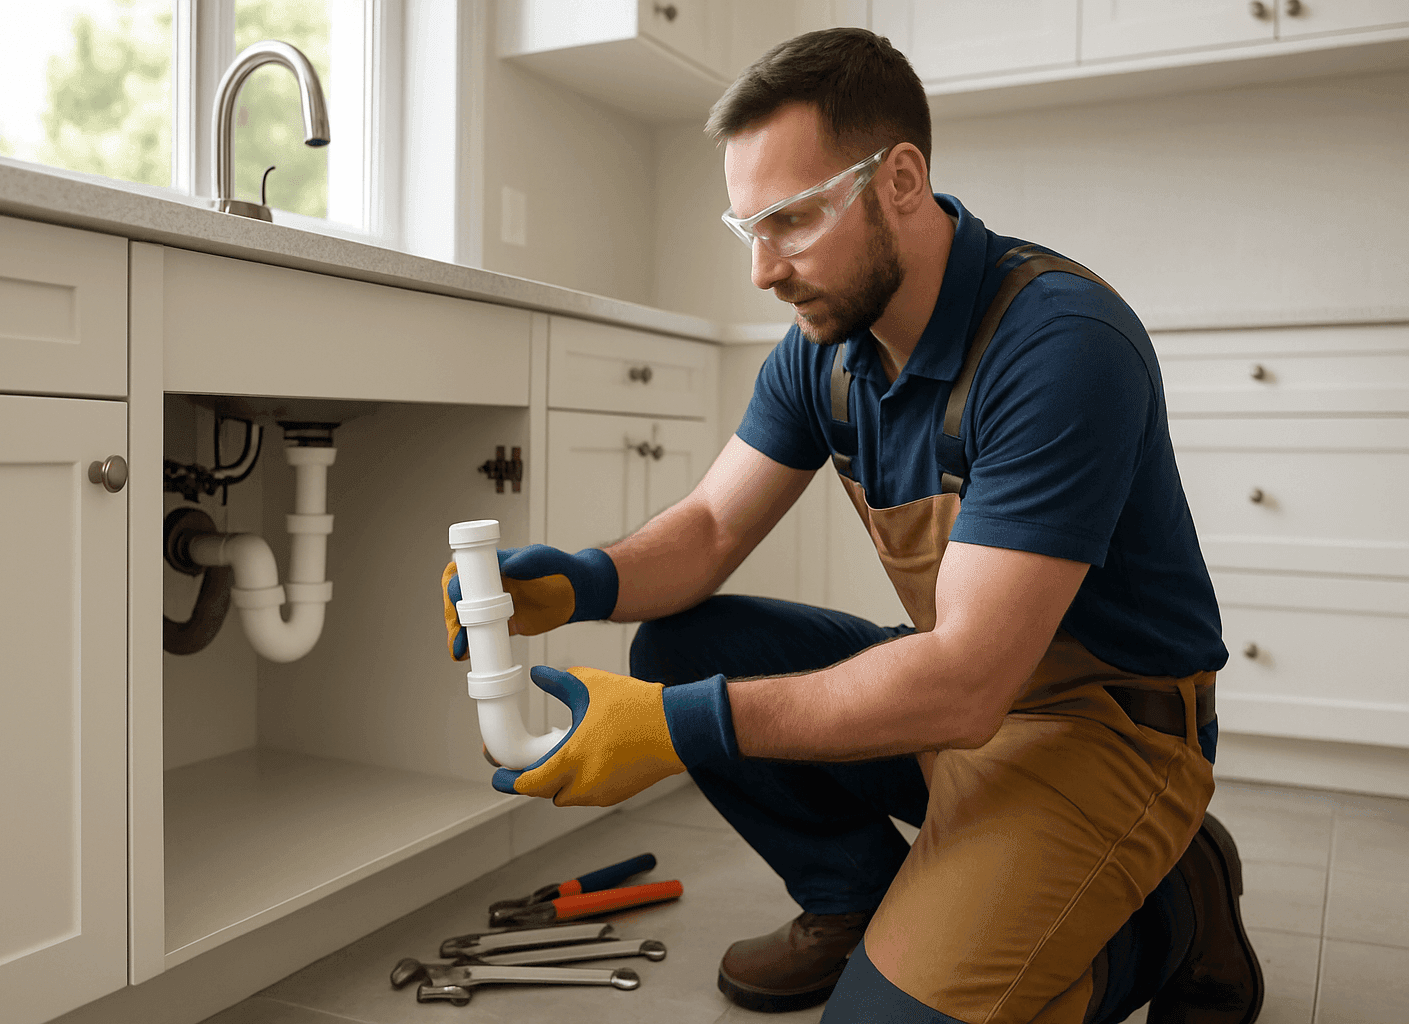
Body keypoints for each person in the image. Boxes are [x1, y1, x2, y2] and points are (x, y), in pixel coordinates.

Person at [442, 27, 1263, 1024]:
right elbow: (706, 528)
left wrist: (679, 730)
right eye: (745, 226)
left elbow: (964, 681)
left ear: (903, 181)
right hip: (966, 695)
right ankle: (856, 905)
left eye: (789, 219)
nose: (762, 269)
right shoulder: (824, 348)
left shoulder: (1060, 347)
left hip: (1106, 730)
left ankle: (1167, 912)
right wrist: (579, 581)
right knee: (684, 644)